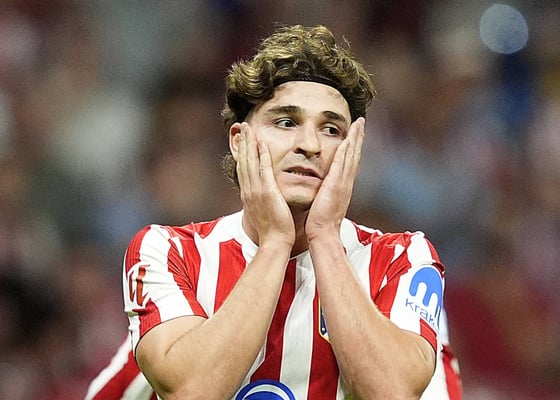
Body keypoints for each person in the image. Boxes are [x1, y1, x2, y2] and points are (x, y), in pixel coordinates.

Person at [87, 24, 462, 399]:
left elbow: (394, 393)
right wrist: (275, 243)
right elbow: (191, 391)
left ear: (354, 153)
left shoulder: (402, 258)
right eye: (286, 122)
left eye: (331, 129)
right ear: (239, 142)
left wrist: (324, 237)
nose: (309, 144)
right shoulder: (168, 251)